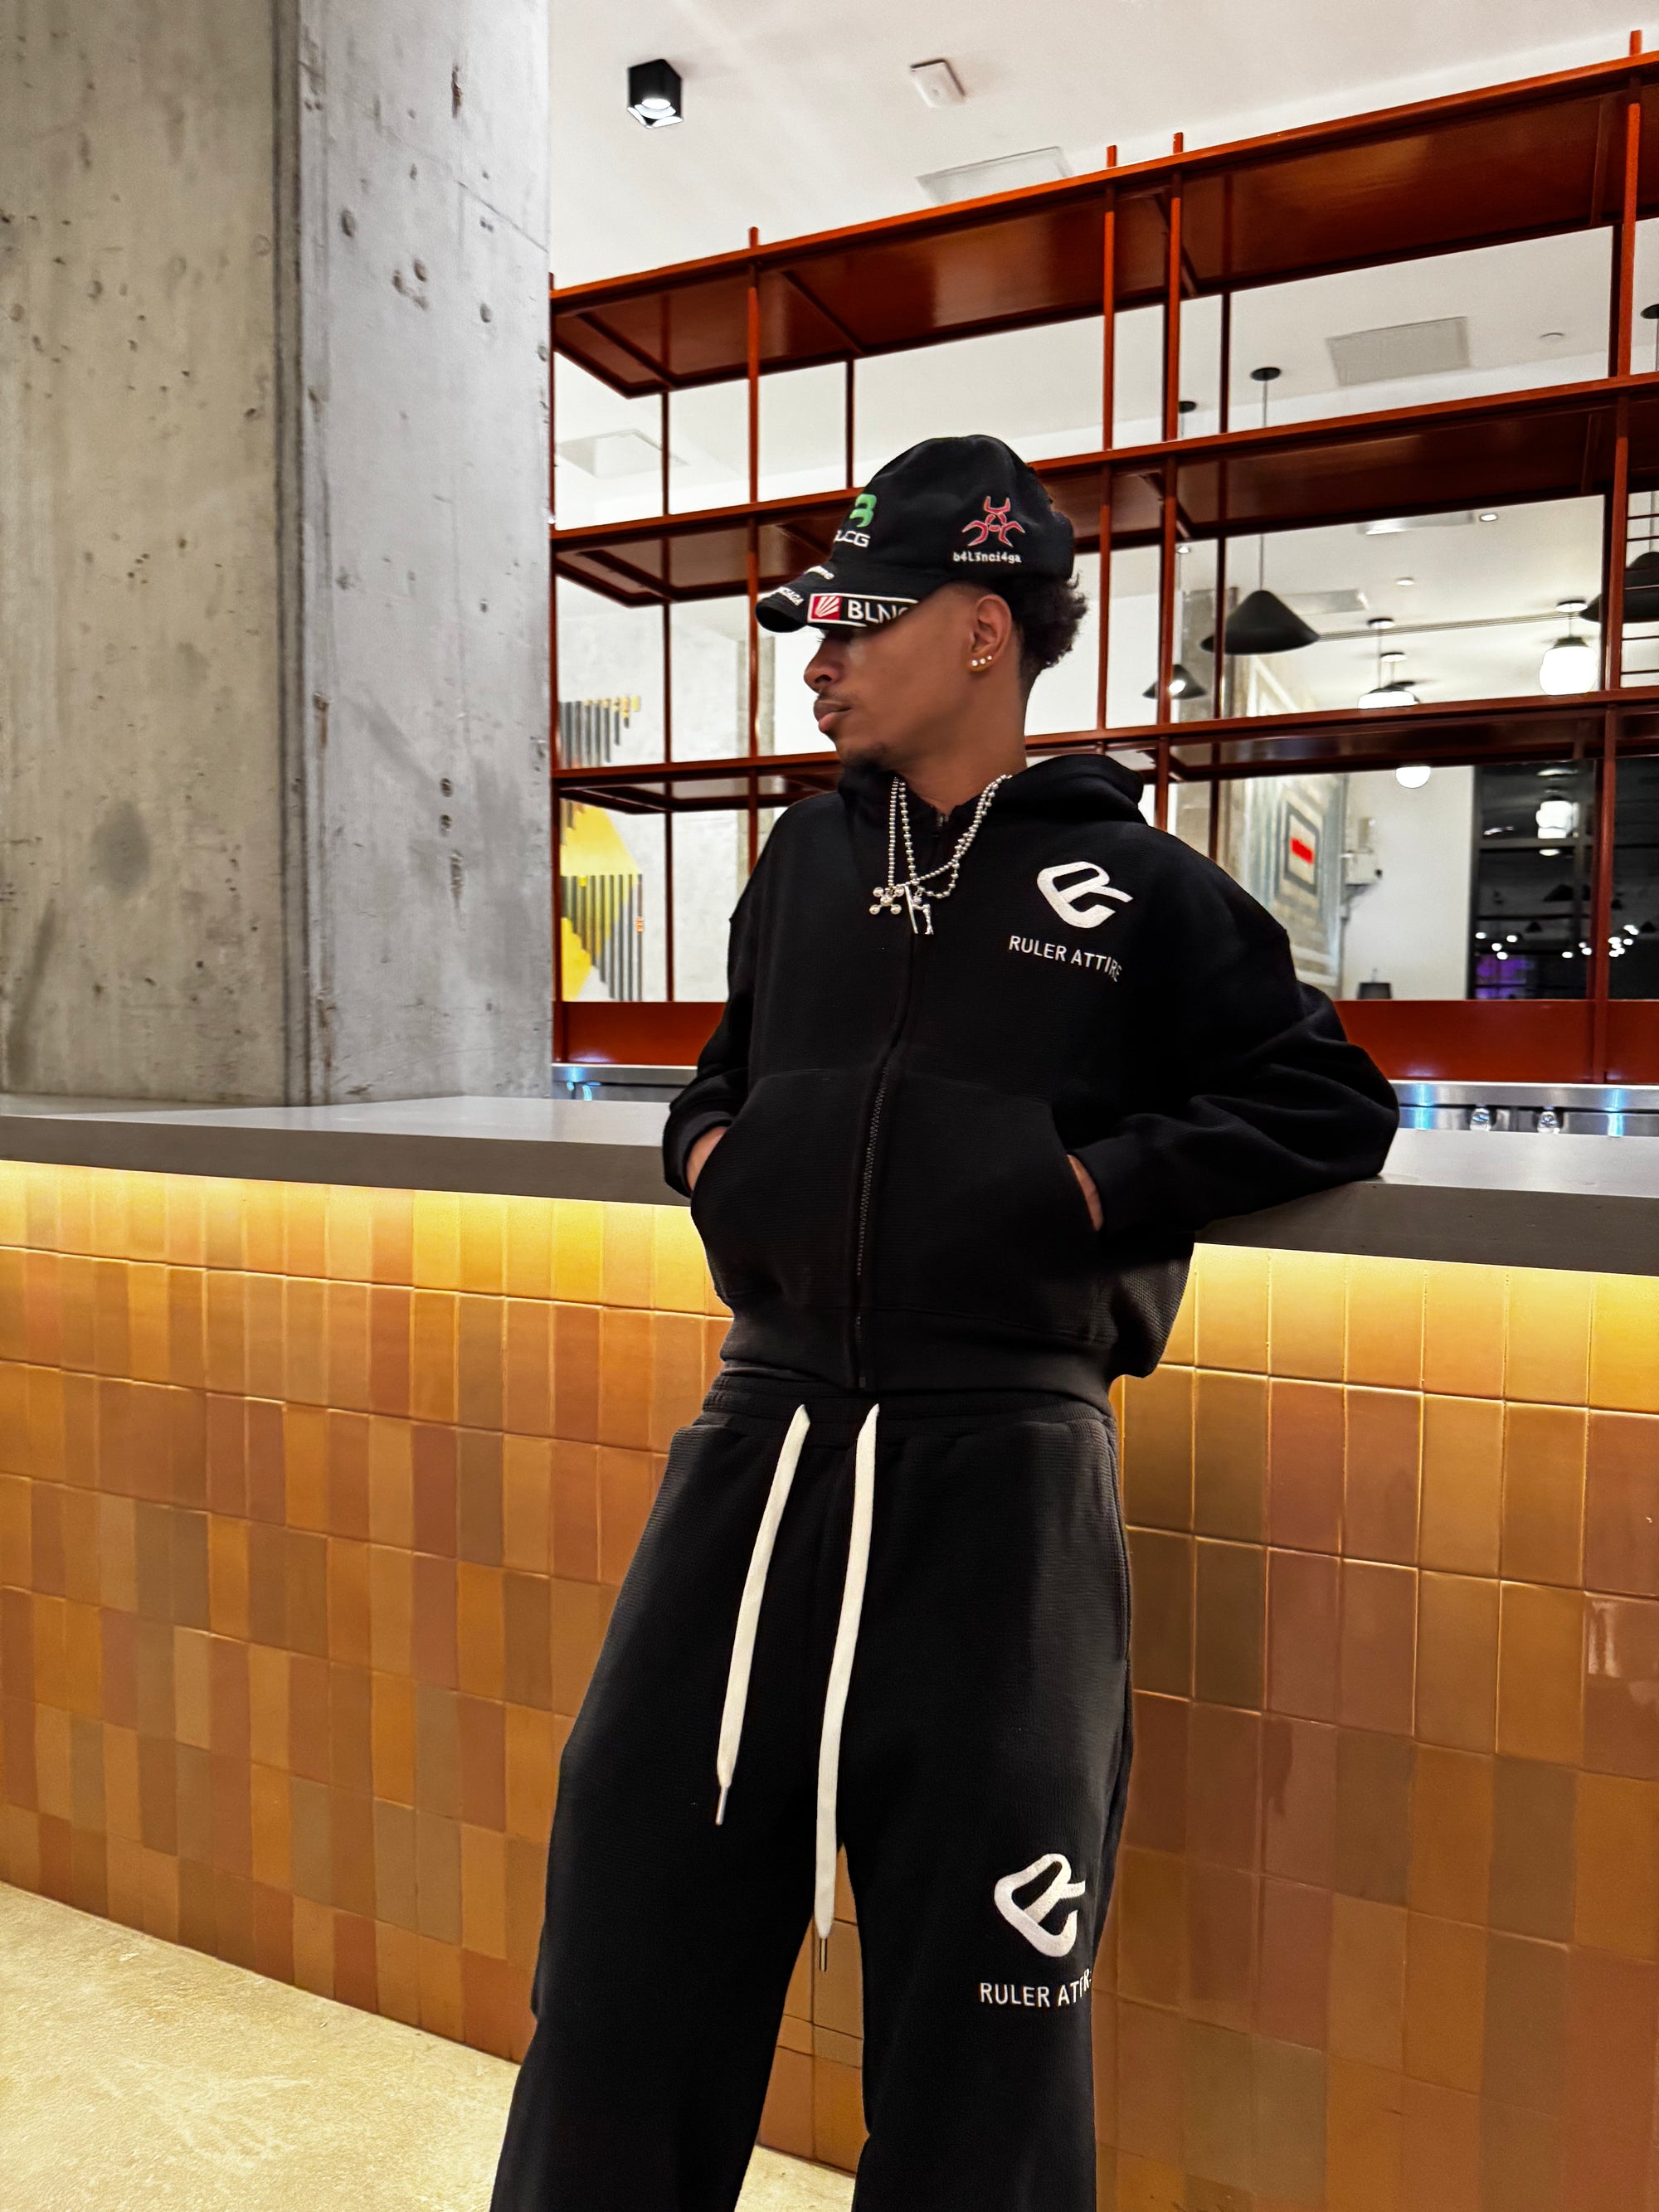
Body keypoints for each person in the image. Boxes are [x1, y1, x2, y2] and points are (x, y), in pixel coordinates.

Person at [491, 435, 1398, 2212]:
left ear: (982, 630)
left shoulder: (1137, 890)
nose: (818, 661)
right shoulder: (803, 864)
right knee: (620, 1955)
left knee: (985, 2027)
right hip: (757, 1458)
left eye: (858, 623)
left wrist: (1081, 1189)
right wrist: (717, 1155)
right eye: (814, 629)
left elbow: (1327, 1102)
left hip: (1004, 1487)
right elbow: (721, 1080)